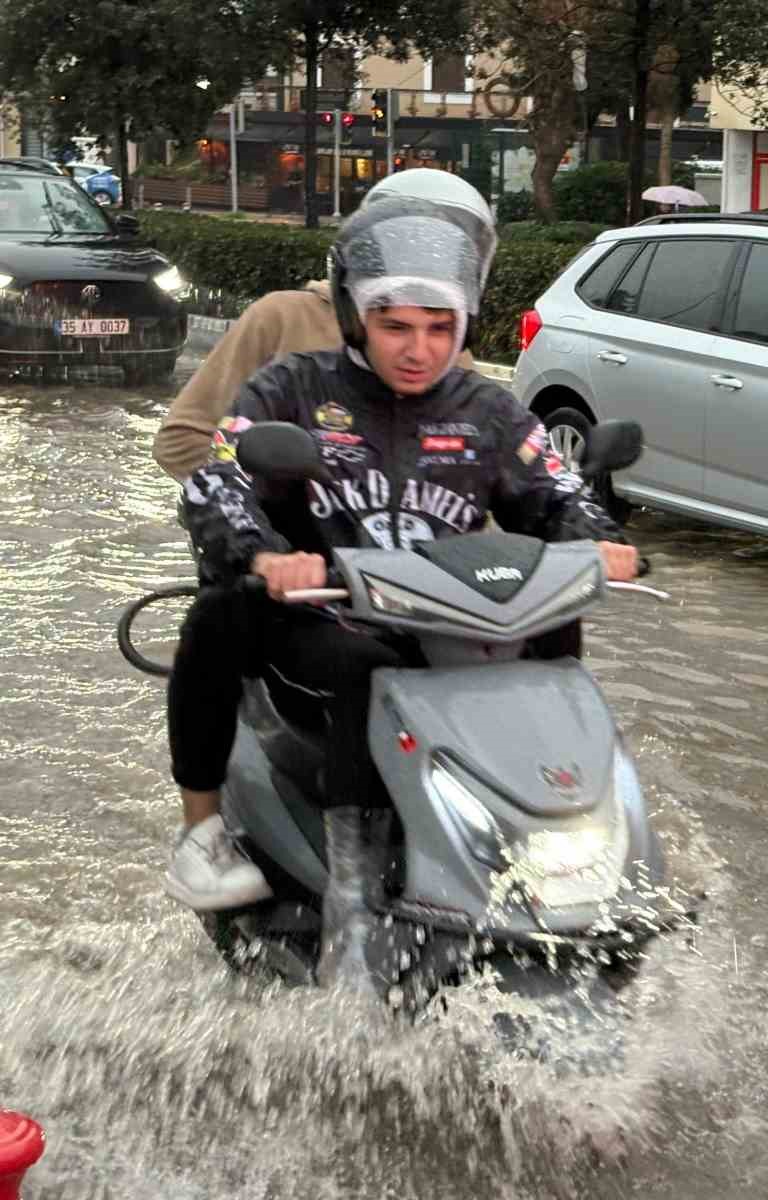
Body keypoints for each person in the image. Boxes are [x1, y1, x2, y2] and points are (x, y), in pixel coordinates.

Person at [168, 192, 637, 995]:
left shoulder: (490, 410)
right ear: (356, 316)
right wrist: (267, 554)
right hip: (324, 619)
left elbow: (555, 488)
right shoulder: (293, 387)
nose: (419, 349)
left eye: (438, 329)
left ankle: (585, 840)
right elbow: (218, 476)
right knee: (293, 641)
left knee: (558, 627)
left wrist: (597, 538)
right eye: (396, 327)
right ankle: (259, 857)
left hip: (450, 621)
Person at [159, 172, 486, 913]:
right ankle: (247, 848)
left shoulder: (449, 360)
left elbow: (479, 485)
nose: (417, 345)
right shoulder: (282, 330)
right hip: (290, 581)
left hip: (403, 588)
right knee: (263, 638)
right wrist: (261, 536)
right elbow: (193, 444)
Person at [153, 171, 480, 482]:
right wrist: (263, 505)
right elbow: (181, 440)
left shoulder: (450, 352)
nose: (419, 350)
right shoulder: (281, 318)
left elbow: (486, 473)